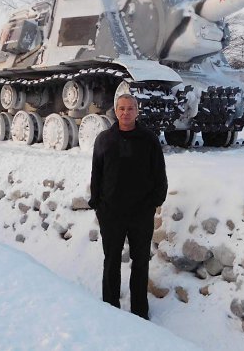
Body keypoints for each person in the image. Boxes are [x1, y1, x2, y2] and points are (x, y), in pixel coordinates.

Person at [89, 94, 168, 320]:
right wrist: (97, 203)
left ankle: (139, 311)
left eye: (130, 108)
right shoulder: (104, 139)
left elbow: (159, 173)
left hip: (140, 213)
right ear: (116, 111)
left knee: (140, 262)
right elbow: (97, 173)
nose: (126, 113)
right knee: (111, 260)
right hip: (111, 212)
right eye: (122, 108)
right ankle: (110, 307)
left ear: (137, 111)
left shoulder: (149, 139)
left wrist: (155, 201)